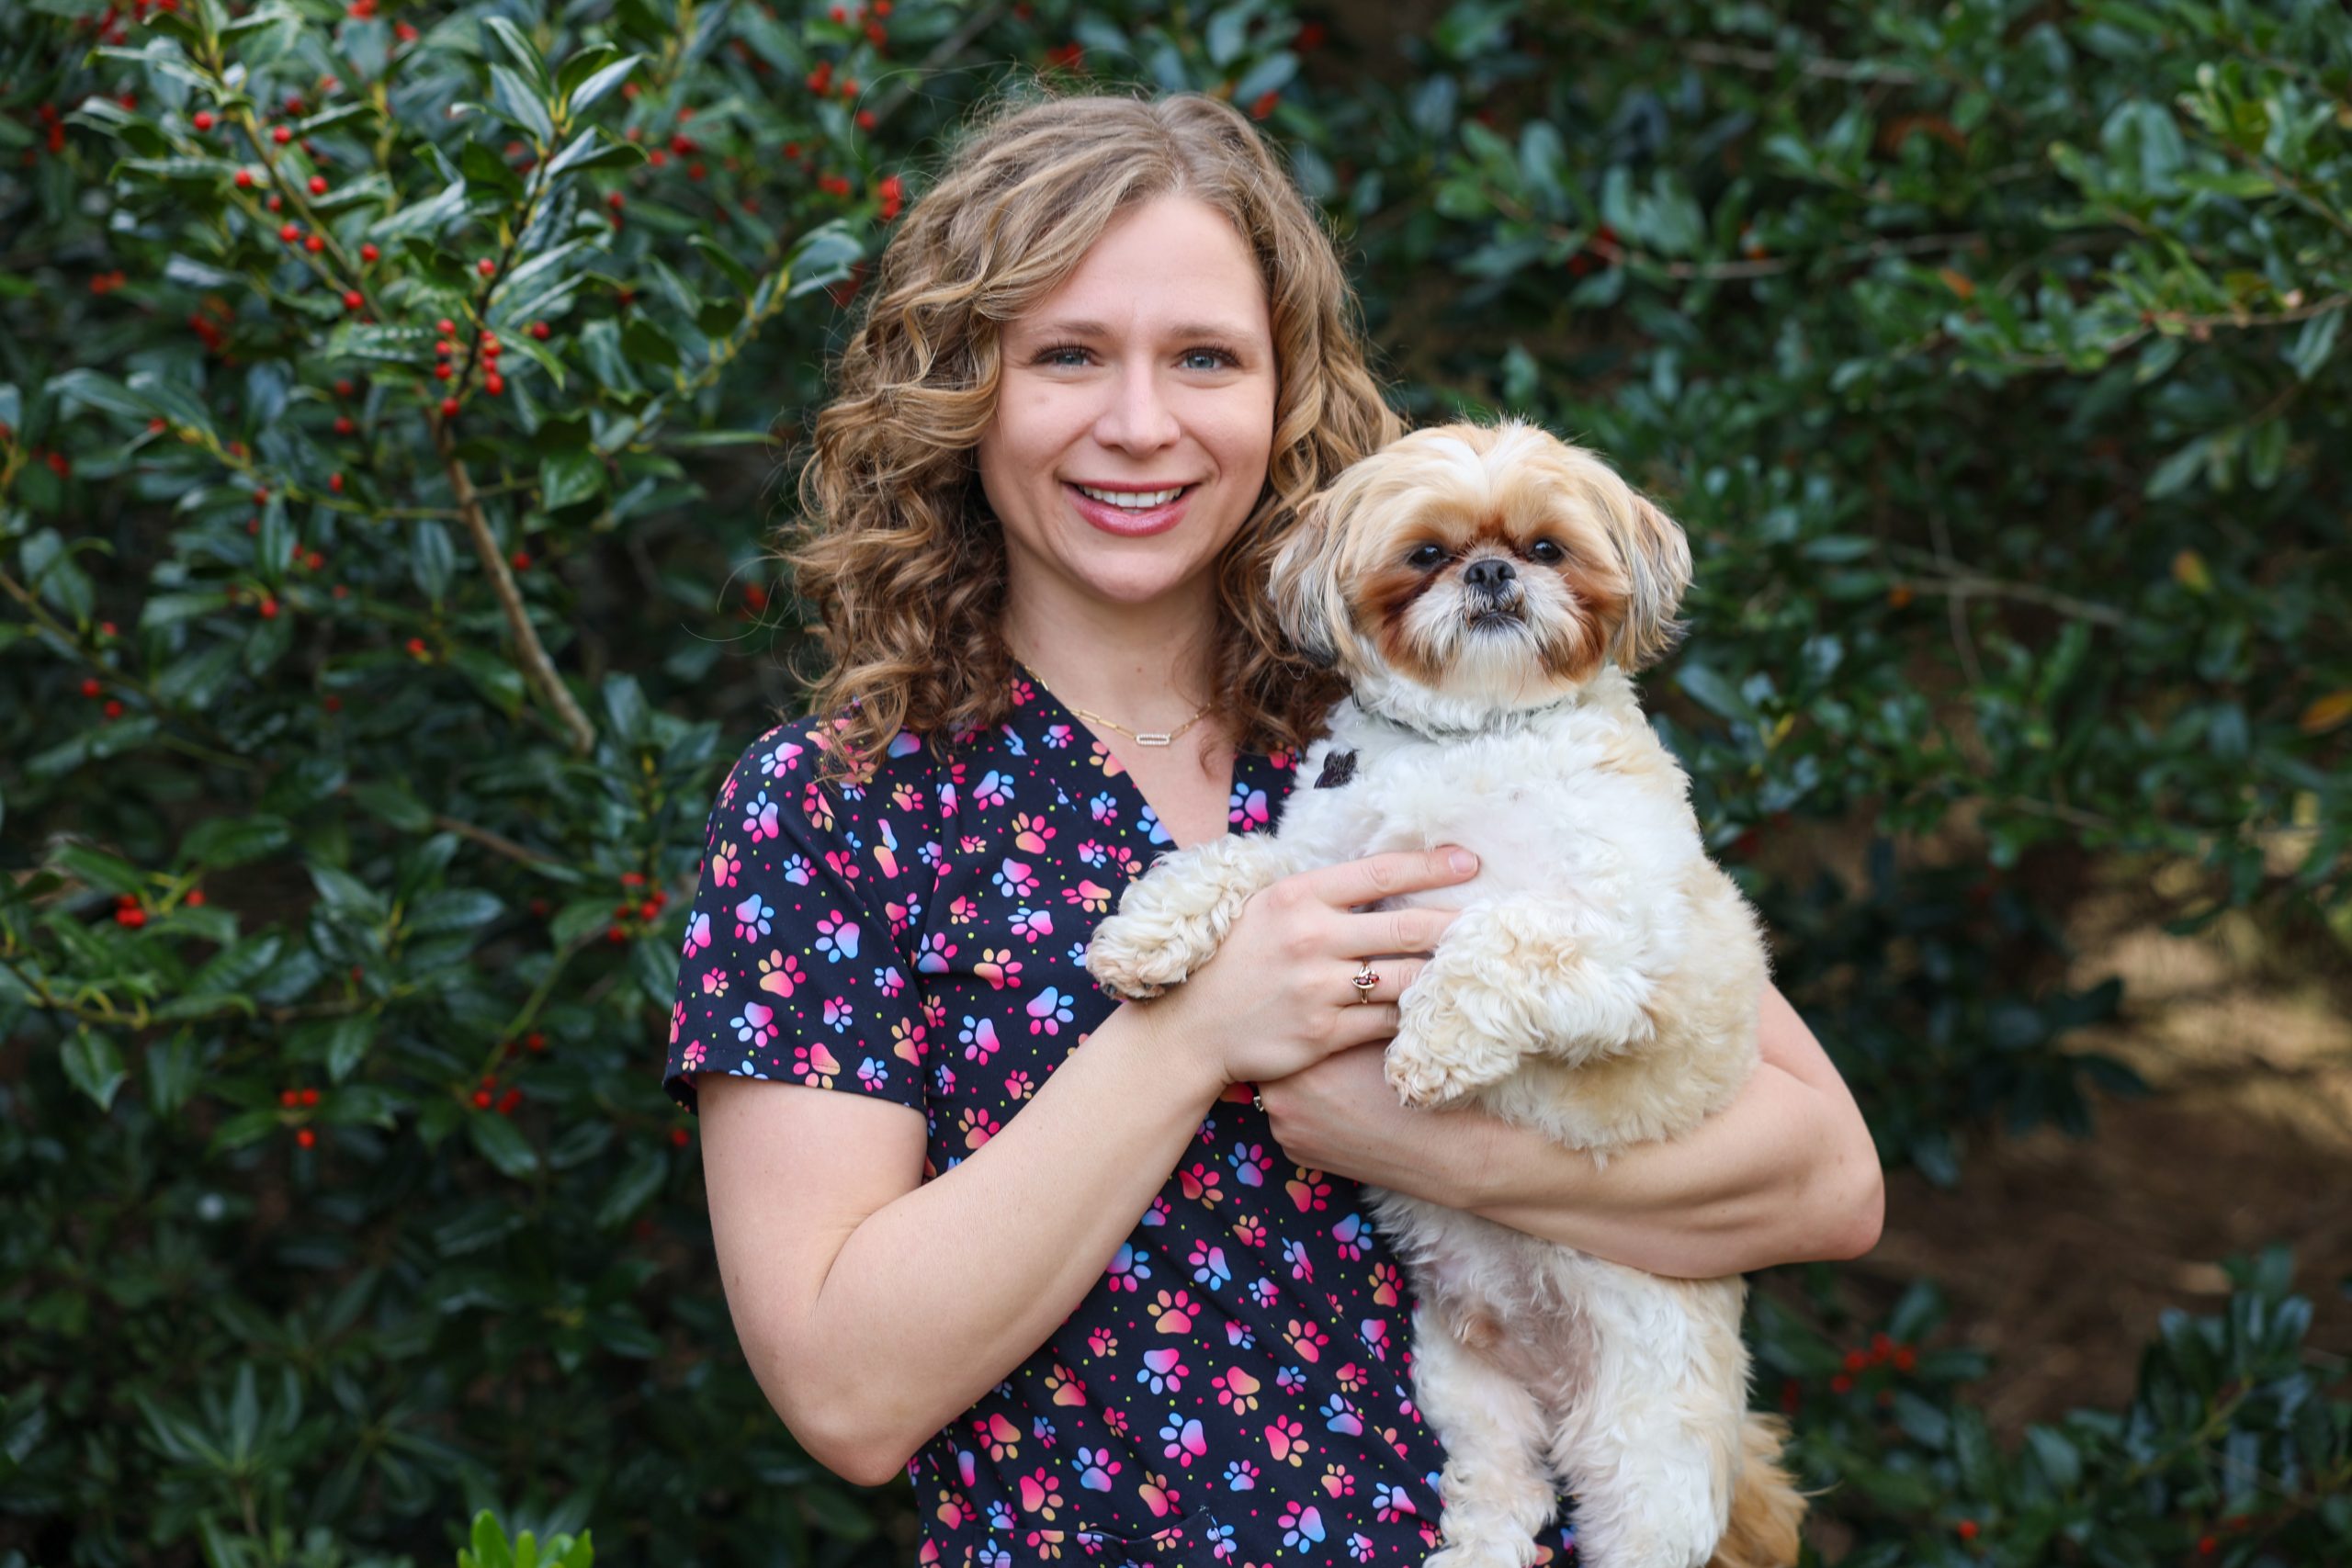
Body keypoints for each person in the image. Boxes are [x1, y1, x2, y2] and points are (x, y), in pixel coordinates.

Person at [662, 88, 1883, 1567]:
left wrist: (1449, 1155)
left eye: (1203, 359)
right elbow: (848, 1392)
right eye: (1066, 356)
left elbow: (1826, 1179)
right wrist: (1187, 1040)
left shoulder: (1430, 717)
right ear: (963, 390)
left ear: (1283, 390)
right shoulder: (833, 815)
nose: (1139, 423)